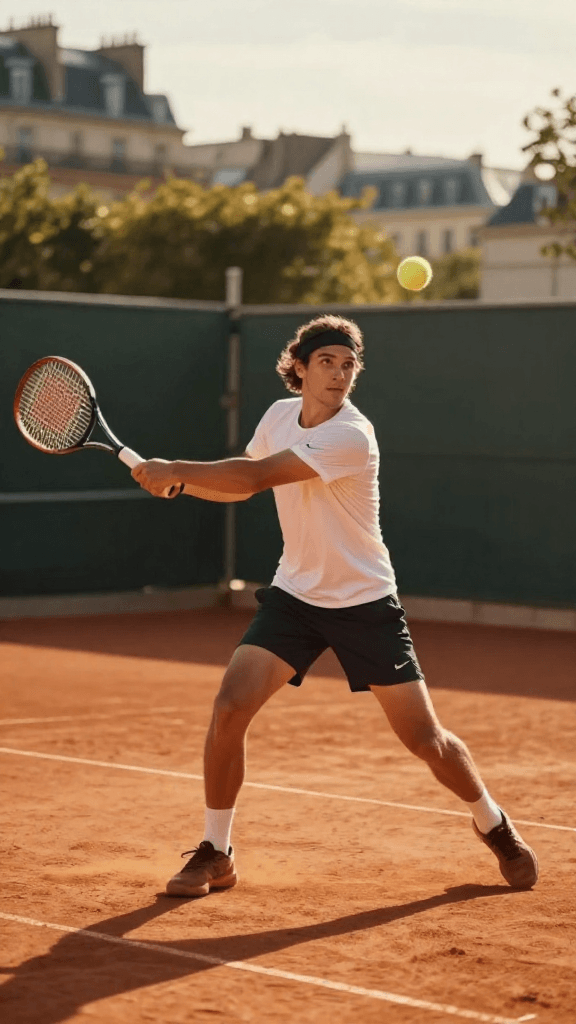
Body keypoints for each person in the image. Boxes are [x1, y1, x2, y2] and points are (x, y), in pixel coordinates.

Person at [132, 314, 538, 897]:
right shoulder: (278, 416)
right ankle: (216, 851)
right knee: (229, 707)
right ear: (299, 368)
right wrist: (177, 481)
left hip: (364, 602)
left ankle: (492, 822)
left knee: (426, 740)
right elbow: (238, 478)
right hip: (296, 595)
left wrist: (177, 468)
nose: (340, 375)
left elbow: (254, 478)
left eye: (349, 365)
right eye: (327, 362)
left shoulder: (353, 434)